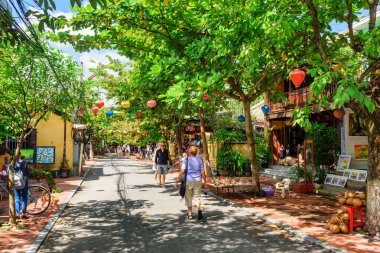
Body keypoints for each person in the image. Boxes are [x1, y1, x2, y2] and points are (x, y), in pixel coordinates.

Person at [175, 146, 206, 220]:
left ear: (189, 152)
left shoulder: (186, 160)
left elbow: (182, 171)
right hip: (198, 180)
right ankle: (199, 209)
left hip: (188, 181)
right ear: (196, 152)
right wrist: (204, 180)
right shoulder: (199, 160)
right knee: (197, 197)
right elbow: (203, 172)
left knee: (188, 197)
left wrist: (178, 179)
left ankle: (190, 215)